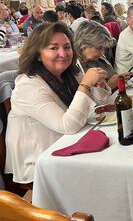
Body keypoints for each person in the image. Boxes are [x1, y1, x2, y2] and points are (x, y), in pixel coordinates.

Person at [4, 22, 111, 184]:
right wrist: (86, 84)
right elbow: (68, 125)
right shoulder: (28, 85)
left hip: (69, 142)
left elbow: (99, 101)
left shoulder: (67, 73)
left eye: (67, 47)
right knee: (105, 172)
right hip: (39, 160)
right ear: (38, 54)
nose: (63, 53)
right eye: (53, 48)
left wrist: (99, 85)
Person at [73, 20, 130, 92]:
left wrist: (120, 78)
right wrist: (110, 85)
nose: (102, 52)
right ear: (83, 45)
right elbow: (83, 100)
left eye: (103, 48)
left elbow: (112, 76)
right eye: (98, 48)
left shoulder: (99, 58)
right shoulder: (75, 70)